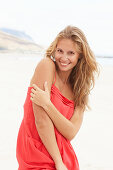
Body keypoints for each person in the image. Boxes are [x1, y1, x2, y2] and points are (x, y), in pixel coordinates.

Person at [16, 25, 99, 170]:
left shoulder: (79, 89)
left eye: (71, 53)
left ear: (80, 56)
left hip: (62, 154)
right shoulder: (46, 65)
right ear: (54, 49)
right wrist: (58, 162)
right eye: (60, 51)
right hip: (36, 150)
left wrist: (48, 105)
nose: (64, 58)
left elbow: (70, 132)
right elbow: (41, 121)